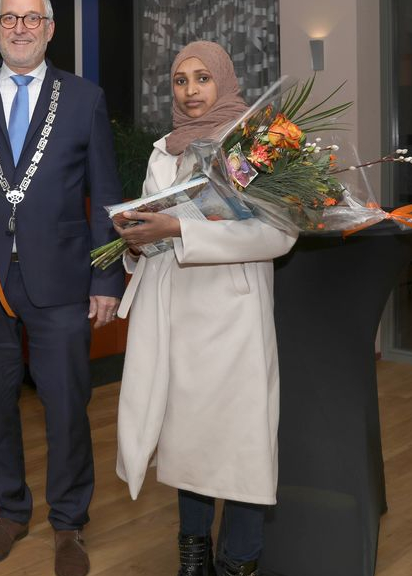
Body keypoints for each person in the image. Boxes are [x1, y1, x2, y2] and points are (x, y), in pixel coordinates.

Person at [0, 1, 124, 575]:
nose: (20, 27)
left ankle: (69, 524)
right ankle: (10, 513)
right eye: (9, 18)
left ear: (49, 29)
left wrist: (107, 275)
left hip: (63, 279)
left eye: (31, 18)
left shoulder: (85, 98)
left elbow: (105, 194)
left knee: (67, 407)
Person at [113, 41, 297, 576]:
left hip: (233, 318)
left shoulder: (255, 145)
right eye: (179, 81)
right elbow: (155, 229)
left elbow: (278, 235)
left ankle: (238, 561)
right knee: (187, 444)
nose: (191, 91)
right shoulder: (162, 150)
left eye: (201, 78)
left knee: (240, 449)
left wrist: (180, 230)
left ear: (224, 79)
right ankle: (192, 556)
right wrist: (137, 242)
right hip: (175, 315)